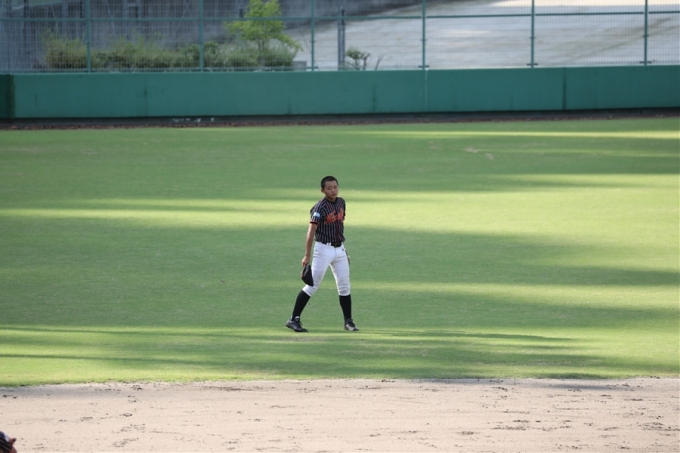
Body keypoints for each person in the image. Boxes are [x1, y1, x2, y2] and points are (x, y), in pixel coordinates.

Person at [286, 176, 358, 333]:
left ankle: (348, 321)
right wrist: (307, 255)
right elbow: (311, 231)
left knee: (344, 286)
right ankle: (293, 319)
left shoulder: (341, 202)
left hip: (339, 249)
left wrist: (344, 250)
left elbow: (339, 226)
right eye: (329, 188)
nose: (333, 190)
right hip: (323, 249)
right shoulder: (319, 207)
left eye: (335, 187)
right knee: (312, 285)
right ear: (322, 190)